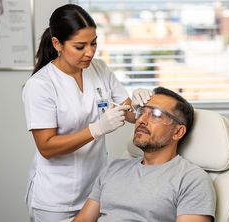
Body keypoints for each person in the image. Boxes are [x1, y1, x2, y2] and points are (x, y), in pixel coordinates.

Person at [22, 4, 152, 222]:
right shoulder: (41, 85)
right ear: (57, 44)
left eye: (93, 43)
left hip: (95, 191)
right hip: (56, 199)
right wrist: (96, 129)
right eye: (80, 46)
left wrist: (139, 105)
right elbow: (46, 147)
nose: (90, 52)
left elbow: (128, 111)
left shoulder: (99, 68)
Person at [73, 87, 216, 222]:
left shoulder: (191, 179)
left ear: (178, 132)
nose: (141, 120)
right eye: (141, 112)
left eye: (156, 115)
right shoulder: (114, 168)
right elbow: (83, 219)